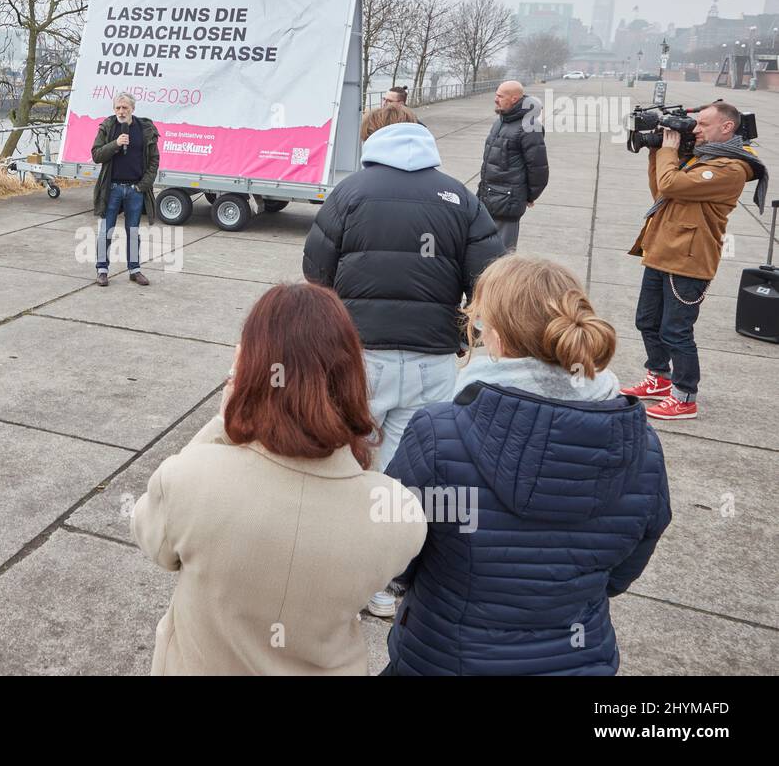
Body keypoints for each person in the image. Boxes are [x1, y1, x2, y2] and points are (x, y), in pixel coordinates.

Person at [383, 255, 671, 676]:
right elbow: (627, 561)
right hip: (579, 659)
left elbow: (394, 552)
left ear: (496, 336)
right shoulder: (642, 445)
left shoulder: (438, 434)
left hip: (444, 658)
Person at [130, 283, 426, 675]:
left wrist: (224, 421)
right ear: (352, 373)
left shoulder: (188, 480)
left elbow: (152, 538)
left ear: (250, 371)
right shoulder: (397, 513)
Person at [303, 114, 504, 618]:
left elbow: (315, 270)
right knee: (406, 475)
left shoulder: (349, 192)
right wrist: (468, 334)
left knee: (344, 459)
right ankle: (385, 583)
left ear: (370, 139)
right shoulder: (460, 197)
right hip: (431, 361)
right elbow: (490, 282)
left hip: (358, 355)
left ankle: (332, 574)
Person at [621, 102, 767, 420]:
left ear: (727, 127)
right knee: (647, 321)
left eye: (702, 124)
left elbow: (672, 183)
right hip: (662, 249)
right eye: (696, 124)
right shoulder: (702, 159)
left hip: (688, 258)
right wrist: (656, 150)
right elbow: (662, 191)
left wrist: (669, 150)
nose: (695, 129)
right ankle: (659, 378)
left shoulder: (731, 168)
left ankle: (685, 396)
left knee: (676, 331)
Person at [90, 92, 159, 287]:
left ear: (132, 109)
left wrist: (142, 186)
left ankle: (134, 270)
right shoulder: (108, 127)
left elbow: (154, 160)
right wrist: (116, 144)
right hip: (111, 189)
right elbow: (96, 154)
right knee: (106, 231)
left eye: (125, 108)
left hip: (135, 190)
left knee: (133, 231)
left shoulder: (145, 129)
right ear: (114, 109)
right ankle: (102, 270)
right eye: (118, 108)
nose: (121, 111)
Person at [475, 80, 549, 252]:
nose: (495, 99)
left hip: (507, 202)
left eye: (500, 96)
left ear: (514, 99)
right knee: (483, 249)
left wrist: (530, 196)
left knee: (502, 254)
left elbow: (538, 168)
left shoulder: (529, 126)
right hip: (488, 196)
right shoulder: (501, 121)